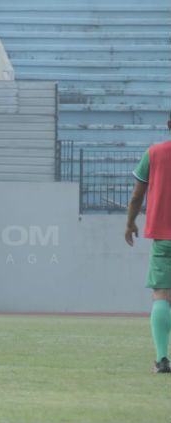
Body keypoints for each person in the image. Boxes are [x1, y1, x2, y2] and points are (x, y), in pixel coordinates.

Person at [126, 112, 171, 373]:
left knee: (161, 295)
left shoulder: (154, 154)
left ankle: (162, 359)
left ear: (168, 125)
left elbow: (136, 196)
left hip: (163, 238)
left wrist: (130, 223)